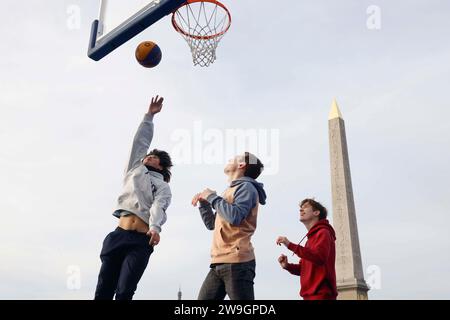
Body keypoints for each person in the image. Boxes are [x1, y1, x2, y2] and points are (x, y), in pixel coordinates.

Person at [94, 95, 173, 300]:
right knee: (103, 289)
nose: (149, 156)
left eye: (154, 157)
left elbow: (159, 206)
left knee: (125, 290)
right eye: (148, 155)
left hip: (140, 240)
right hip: (118, 234)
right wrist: (149, 116)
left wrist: (155, 228)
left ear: (161, 166)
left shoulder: (163, 186)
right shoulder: (134, 169)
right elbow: (139, 142)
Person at [192, 152, 267, 300]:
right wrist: (205, 204)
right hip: (218, 261)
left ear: (242, 165)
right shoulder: (229, 191)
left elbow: (235, 216)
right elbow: (212, 224)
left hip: (238, 261)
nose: (229, 159)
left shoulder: (247, 188)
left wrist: (212, 197)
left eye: (234, 158)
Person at [276, 198, 338, 300]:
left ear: (316, 212)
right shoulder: (310, 240)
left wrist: (289, 245)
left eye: (305, 207)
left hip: (321, 295)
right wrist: (287, 266)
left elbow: (319, 258)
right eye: (300, 208)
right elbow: (303, 269)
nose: (301, 210)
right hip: (309, 296)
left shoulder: (323, 232)